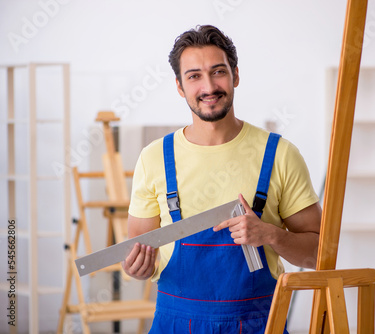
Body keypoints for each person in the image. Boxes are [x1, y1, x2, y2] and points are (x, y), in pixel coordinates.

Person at [122, 25, 322, 334]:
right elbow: (136, 253)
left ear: (236, 75)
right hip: (175, 324)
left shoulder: (280, 154)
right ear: (179, 86)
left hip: (258, 322)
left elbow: (319, 255)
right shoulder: (155, 159)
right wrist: (136, 270)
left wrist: (271, 235)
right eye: (194, 76)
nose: (208, 86)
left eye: (218, 72)